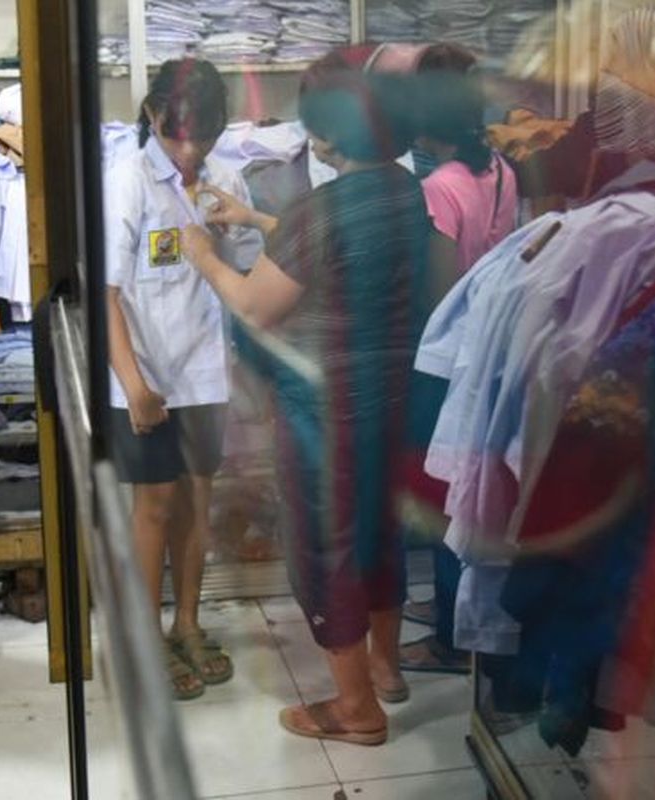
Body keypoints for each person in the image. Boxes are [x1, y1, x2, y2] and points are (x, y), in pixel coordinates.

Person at [182, 56, 432, 745]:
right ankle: (385, 670)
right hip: (393, 404)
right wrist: (260, 219)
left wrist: (205, 256)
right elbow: (333, 248)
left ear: (324, 138)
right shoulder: (402, 191)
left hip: (329, 419)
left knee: (329, 550)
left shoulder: (319, 212)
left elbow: (258, 305)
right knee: (380, 535)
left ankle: (355, 711)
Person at [104, 58, 262, 700]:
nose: (192, 151)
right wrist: (135, 385)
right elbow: (106, 294)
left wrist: (230, 233)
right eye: (179, 136)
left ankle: (187, 623)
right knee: (154, 506)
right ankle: (144, 639)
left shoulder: (226, 179)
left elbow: (249, 280)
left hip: (204, 371)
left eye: (204, 136)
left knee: (197, 503)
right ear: (152, 118)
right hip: (141, 374)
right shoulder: (128, 180)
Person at [397, 44, 519, 677]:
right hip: (491, 349)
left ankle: (449, 637)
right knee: (467, 491)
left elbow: (439, 293)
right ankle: (451, 613)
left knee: (444, 496)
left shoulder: (439, 188)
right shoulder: (497, 168)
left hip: (449, 361)